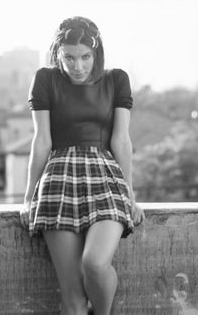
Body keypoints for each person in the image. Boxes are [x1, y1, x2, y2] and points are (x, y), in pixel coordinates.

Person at [20, 16, 145, 315]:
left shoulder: (117, 79)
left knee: (95, 263)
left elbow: (121, 142)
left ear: (96, 52)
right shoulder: (46, 79)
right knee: (73, 299)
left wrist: (130, 195)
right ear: (58, 54)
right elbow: (41, 142)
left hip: (106, 178)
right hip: (58, 181)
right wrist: (27, 198)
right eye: (69, 58)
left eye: (85, 57)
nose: (77, 66)